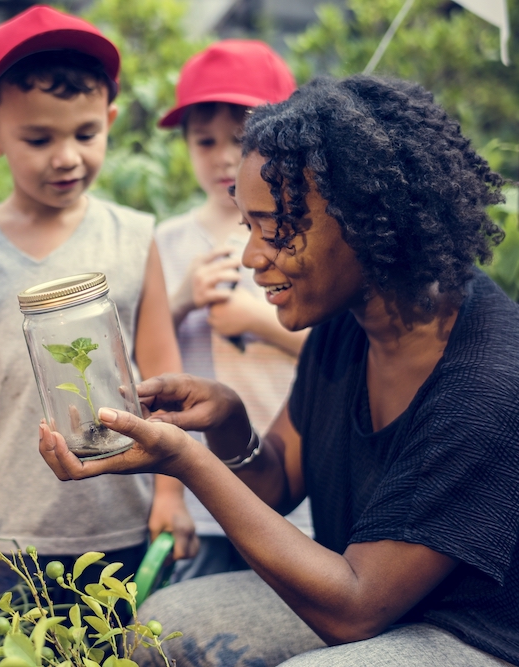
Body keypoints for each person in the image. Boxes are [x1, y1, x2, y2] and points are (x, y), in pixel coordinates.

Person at [40, 75, 519, 666]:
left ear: (370, 220)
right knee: (161, 628)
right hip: (377, 604)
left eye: (277, 228)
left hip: (472, 635)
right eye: (249, 226)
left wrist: (183, 460)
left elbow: (353, 608)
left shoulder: (486, 382)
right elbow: (278, 483)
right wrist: (228, 425)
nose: (251, 257)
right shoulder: (350, 323)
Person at [0, 4, 192, 603]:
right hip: (4, 531)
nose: (66, 156)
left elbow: (164, 375)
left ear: (111, 121)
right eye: (39, 138)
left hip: (124, 517)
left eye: (85, 133)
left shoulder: (134, 236)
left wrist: (171, 494)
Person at [154, 40, 313, 580]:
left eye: (241, 141)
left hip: (295, 483)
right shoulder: (167, 242)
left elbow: (336, 350)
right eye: (205, 141)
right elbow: (139, 350)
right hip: (204, 496)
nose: (223, 156)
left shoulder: (304, 239)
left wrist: (254, 322)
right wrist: (182, 302)